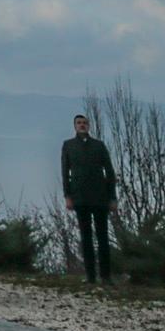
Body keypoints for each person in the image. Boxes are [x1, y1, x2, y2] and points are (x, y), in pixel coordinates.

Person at [61, 111, 116, 286]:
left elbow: (110, 172)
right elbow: (65, 173)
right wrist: (68, 196)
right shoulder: (68, 146)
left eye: (84, 122)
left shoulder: (99, 146)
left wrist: (112, 197)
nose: (82, 125)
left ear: (89, 125)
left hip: (100, 197)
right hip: (80, 197)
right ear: (74, 126)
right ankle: (91, 276)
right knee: (86, 238)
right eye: (79, 123)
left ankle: (106, 276)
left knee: (102, 237)